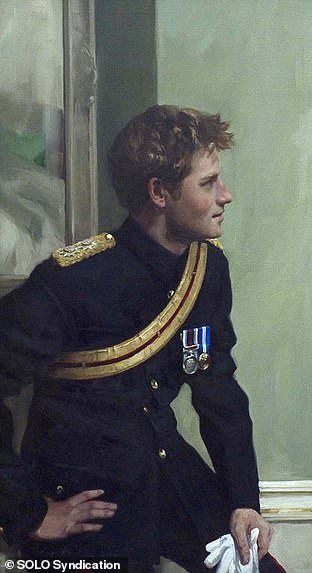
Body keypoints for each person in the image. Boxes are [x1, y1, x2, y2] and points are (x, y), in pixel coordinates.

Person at [0, 105, 285, 573]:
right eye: (208, 183)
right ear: (158, 193)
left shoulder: (206, 271)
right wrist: (28, 513)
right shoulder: (71, 281)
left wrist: (242, 500)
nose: (226, 195)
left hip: (168, 474)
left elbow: (216, 392)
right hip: (84, 501)